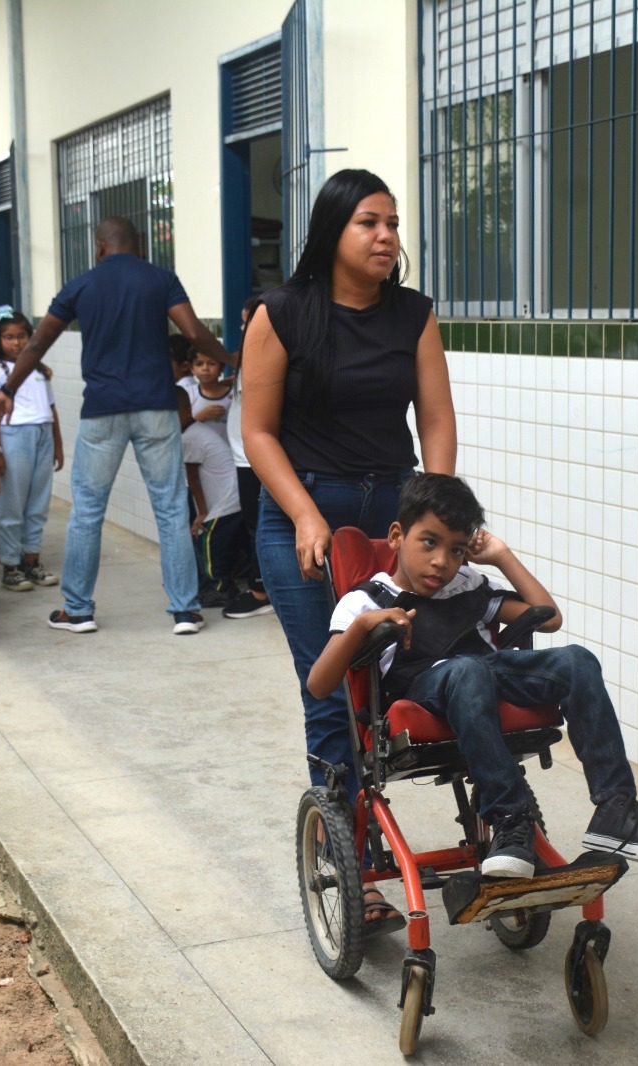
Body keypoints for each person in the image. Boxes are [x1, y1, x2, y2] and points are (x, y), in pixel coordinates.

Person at [241, 169, 456, 932]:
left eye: (393, 224)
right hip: (307, 520)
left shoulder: (412, 316)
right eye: (370, 222)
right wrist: (302, 514)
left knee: (413, 671)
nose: (387, 237)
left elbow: (435, 418)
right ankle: (355, 867)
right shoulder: (283, 314)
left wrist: (434, 514)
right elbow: (258, 431)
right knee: (332, 689)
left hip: (390, 515)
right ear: (333, 232)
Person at [309, 474, 638, 878]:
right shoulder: (366, 601)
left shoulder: (469, 585)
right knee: (467, 670)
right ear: (396, 535)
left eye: (456, 550)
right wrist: (362, 628)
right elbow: (319, 684)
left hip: (488, 674)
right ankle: (510, 818)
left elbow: (549, 617)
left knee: (577, 660)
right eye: (429, 542)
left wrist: (502, 556)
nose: (442, 561)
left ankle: (616, 810)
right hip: (423, 689)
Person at [0, 215, 234, 637]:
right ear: (138, 246)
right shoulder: (161, 279)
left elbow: (39, 340)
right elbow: (193, 331)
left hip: (103, 410)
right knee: (172, 508)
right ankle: (186, 611)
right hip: (156, 407)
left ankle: (78, 609)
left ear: (100, 245)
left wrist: (8, 387)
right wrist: (234, 360)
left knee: (87, 510)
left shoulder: (80, 286)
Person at [0, 308, 63, 593]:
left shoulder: (40, 370)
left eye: (21, 337)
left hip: (42, 435)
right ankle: (10, 565)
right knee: (12, 503)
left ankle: (32, 558)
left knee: (38, 502)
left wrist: (58, 445)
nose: (16, 343)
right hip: (14, 435)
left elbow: (51, 411)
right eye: (9, 337)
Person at [223, 296, 271, 620]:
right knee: (254, 523)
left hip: (255, 458)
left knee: (260, 526)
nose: (243, 328)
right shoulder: (249, 356)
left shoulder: (266, 357)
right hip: (244, 457)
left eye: (247, 322)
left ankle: (260, 590)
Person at [181, 403, 242, 609]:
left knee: (208, 544)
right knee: (217, 546)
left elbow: (193, 478)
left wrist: (203, 513)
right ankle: (221, 586)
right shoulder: (195, 432)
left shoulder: (190, 437)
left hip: (226, 500)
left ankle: (220, 590)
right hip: (229, 497)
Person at [182, 348, 232, 443]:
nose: (205, 368)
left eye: (212, 364)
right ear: (192, 368)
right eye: (199, 364)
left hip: (227, 454)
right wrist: (201, 416)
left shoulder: (234, 396)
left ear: (222, 367)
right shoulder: (188, 393)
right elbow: (179, 427)